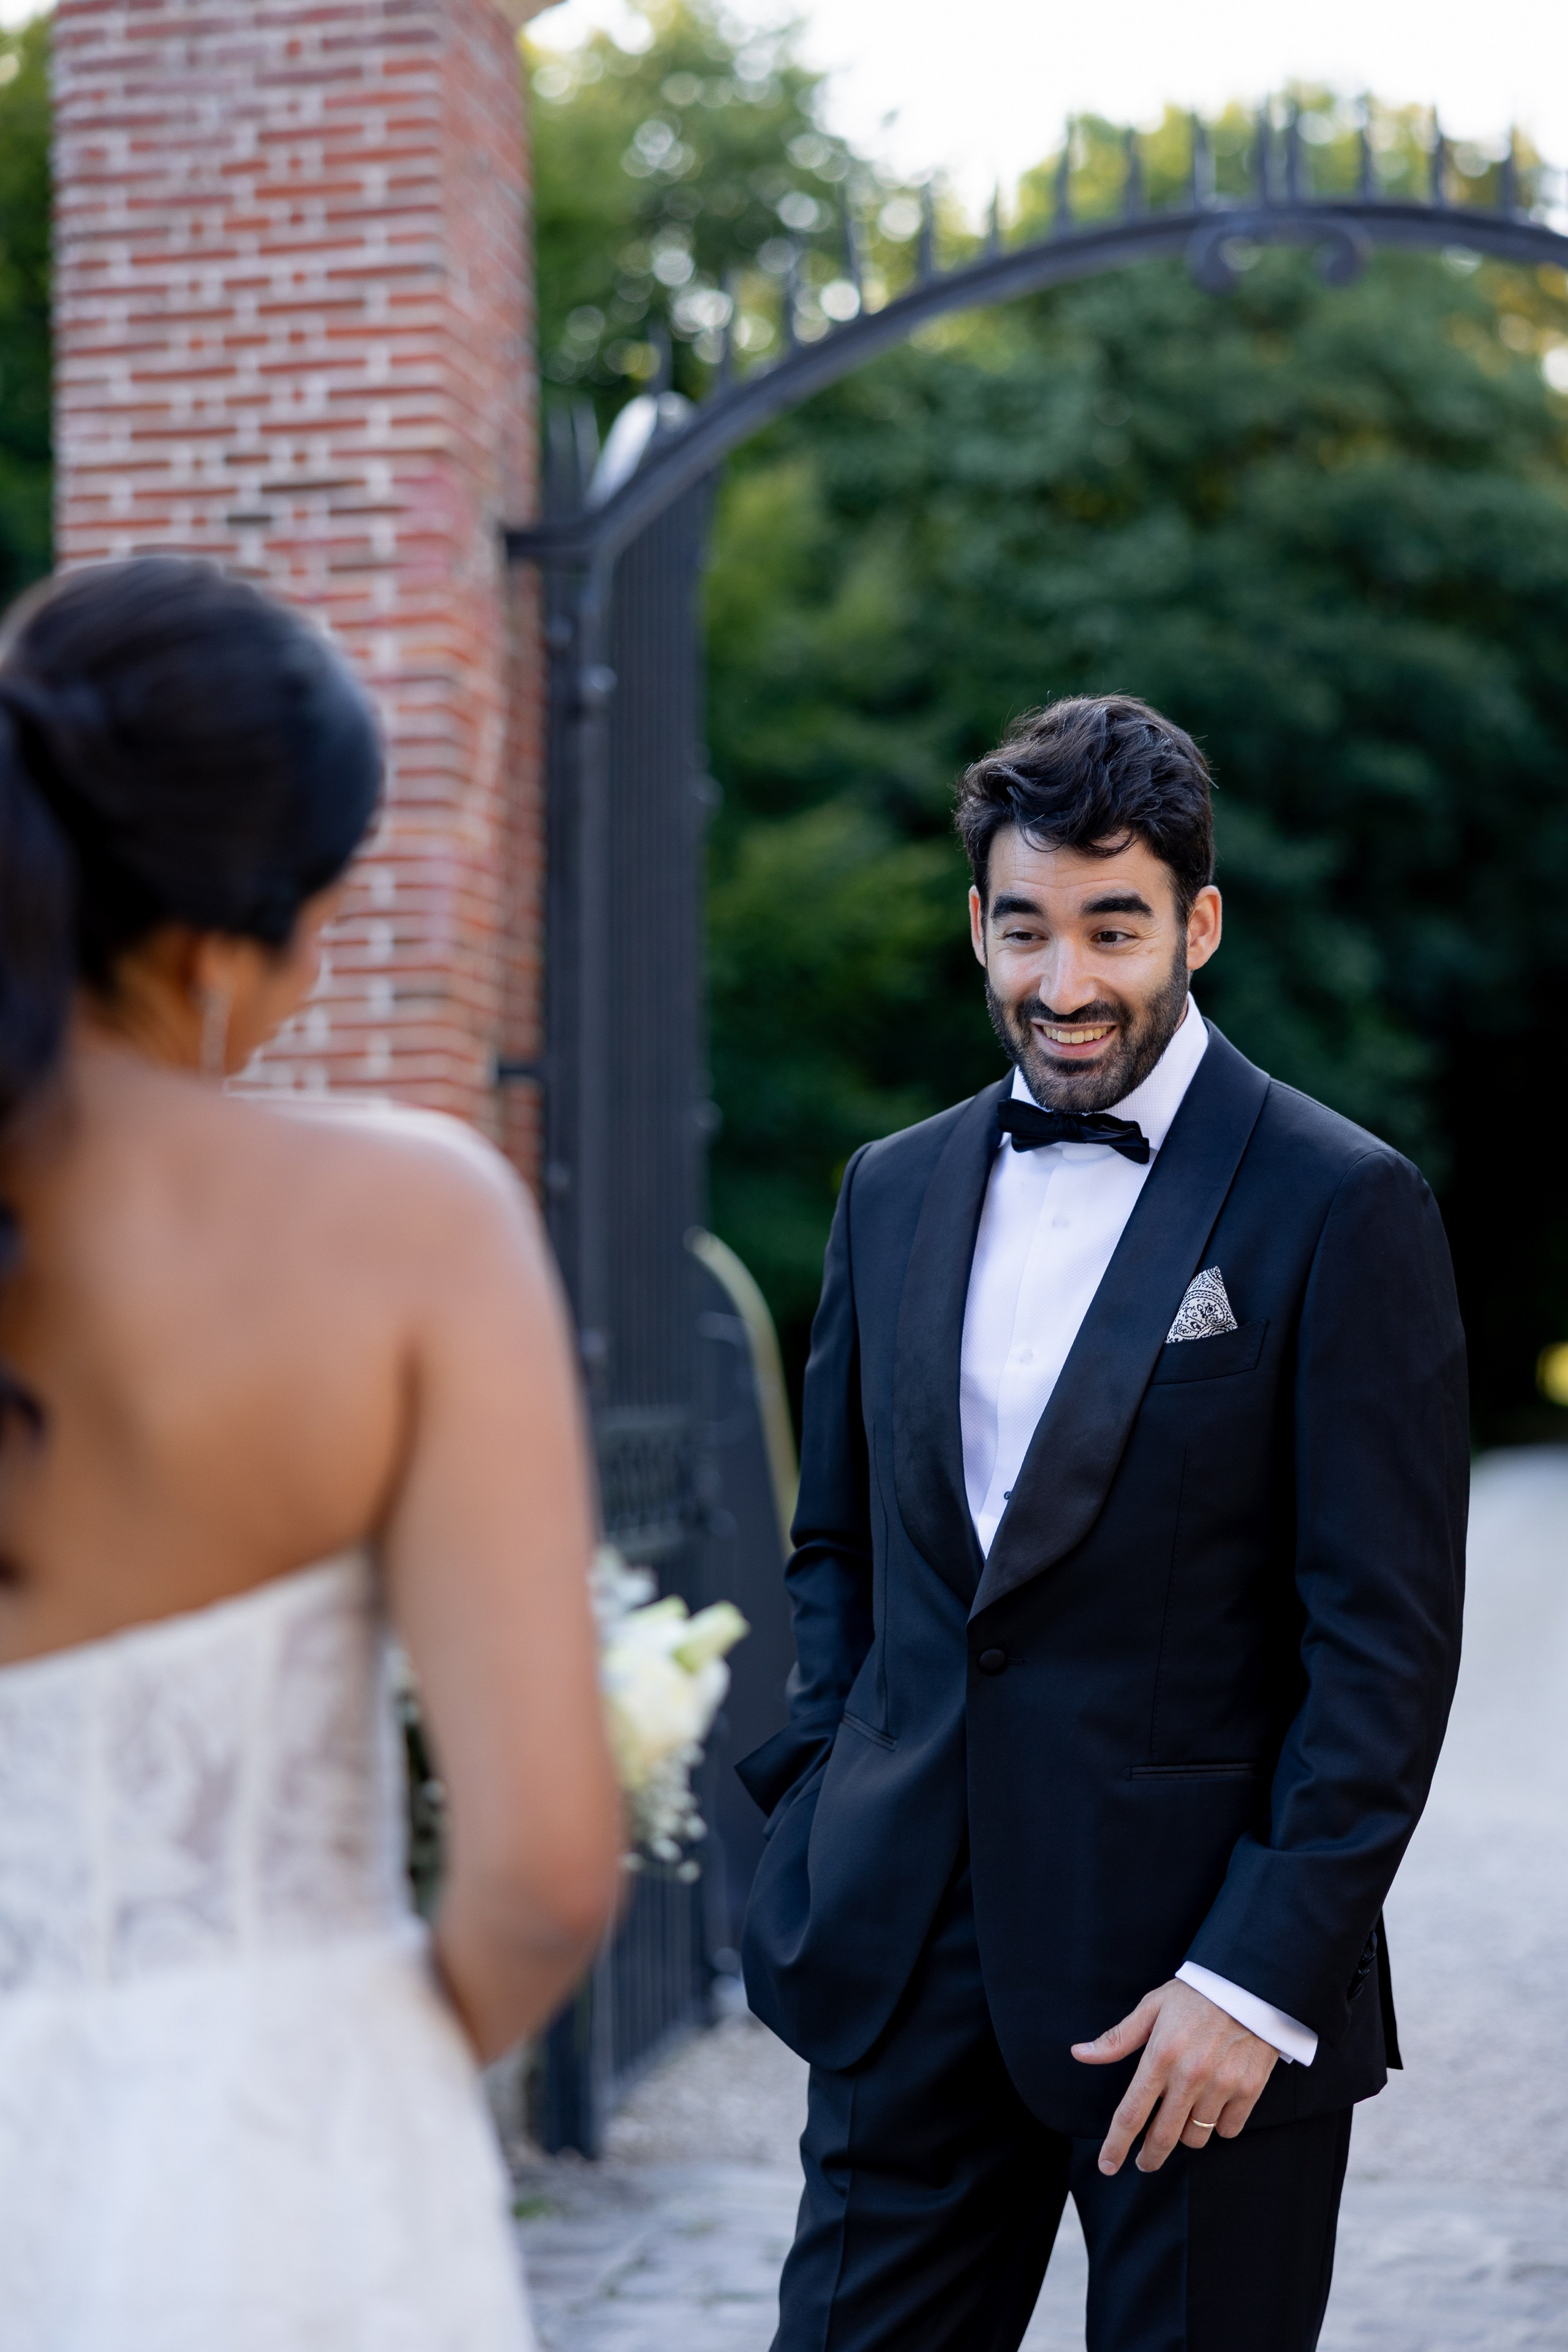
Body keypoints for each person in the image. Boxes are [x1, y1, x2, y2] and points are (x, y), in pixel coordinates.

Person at [739, 695, 1468, 2352]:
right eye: (1026, 928)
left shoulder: (1343, 1205)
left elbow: (1381, 1649)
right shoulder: (891, 1188)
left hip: (1195, 2000)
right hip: (901, 1963)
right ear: (978, 925)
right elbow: (840, 1548)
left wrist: (1257, 1979)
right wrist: (816, 1812)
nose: (1063, 984)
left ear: (1197, 925)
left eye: (1113, 929)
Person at [0, 557, 622, 2350]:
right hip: (269, 2191)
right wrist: (357, 2074)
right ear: (216, 935)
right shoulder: (404, 1223)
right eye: (323, 919)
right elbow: (544, 1874)